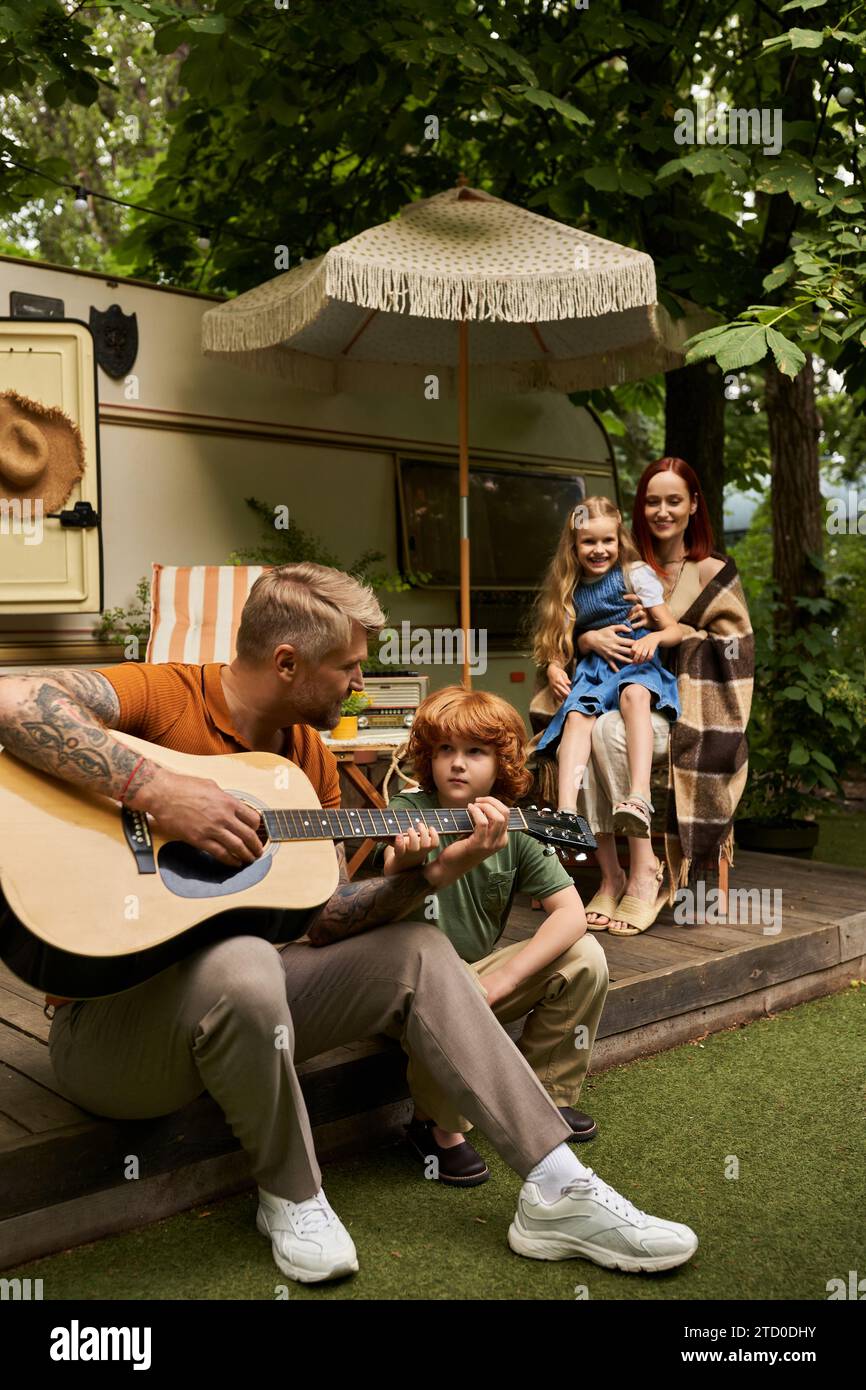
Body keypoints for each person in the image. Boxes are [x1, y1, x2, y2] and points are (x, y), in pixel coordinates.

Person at [0, 562, 699, 1282]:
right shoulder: (165, 694)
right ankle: (292, 1195)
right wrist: (161, 792)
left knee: (418, 949)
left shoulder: (303, 758)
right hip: (111, 1034)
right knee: (243, 961)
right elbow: (13, 698)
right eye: (349, 668)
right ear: (287, 662)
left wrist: (429, 875)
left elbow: (327, 918)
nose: (360, 685)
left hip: (253, 1010)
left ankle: (557, 1187)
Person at [369, 685, 607, 1187]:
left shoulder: (511, 825)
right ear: (427, 758)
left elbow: (570, 913)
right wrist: (410, 859)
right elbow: (391, 872)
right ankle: (435, 1127)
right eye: (445, 750)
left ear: (501, 764)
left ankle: (544, 1097)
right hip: (405, 985)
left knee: (584, 954)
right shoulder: (408, 807)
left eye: (474, 751)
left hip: (476, 980)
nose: (457, 764)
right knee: (445, 984)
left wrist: (501, 983)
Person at [534, 460, 753, 936]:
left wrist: (671, 635)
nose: (662, 510)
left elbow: (734, 650)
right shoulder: (621, 563)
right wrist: (588, 641)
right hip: (607, 690)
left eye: (674, 500)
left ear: (694, 505)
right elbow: (561, 634)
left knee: (609, 729)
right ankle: (609, 875)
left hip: (682, 706)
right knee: (586, 722)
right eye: (652, 501)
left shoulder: (710, 571)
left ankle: (644, 870)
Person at [532, 496, 686, 925]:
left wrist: (654, 639)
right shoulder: (569, 585)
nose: (598, 550)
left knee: (635, 697)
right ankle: (565, 815)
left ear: (620, 540)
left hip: (637, 664)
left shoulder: (635, 574)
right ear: (574, 546)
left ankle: (637, 796)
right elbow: (556, 642)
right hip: (595, 675)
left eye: (607, 540)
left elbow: (672, 626)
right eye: (588, 543)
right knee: (576, 720)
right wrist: (554, 666)